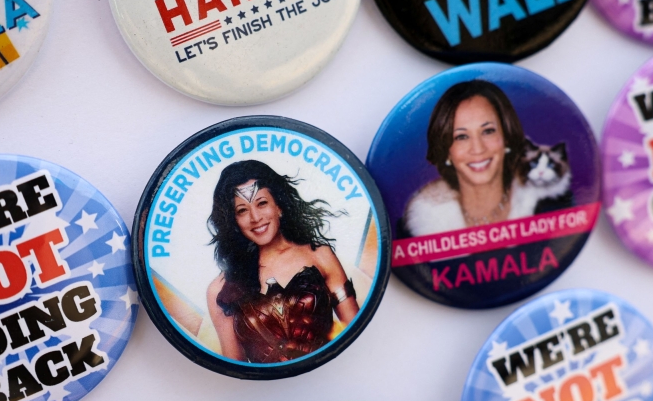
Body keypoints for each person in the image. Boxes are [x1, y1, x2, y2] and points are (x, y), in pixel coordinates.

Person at [192, 160, 358, 363]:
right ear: (233, 221)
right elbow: (237, 369)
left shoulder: (320, 255)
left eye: (262, 203)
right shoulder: (221, 290)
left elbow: (356, 332)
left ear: (279, 206)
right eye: (242, 210)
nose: (255, 217)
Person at [400, 80, 571, 237]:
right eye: (461, 137)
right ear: (446, 151)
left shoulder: (555, 209)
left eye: (488, 131)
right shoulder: (417, 225)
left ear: (506, 138)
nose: (478, 148)